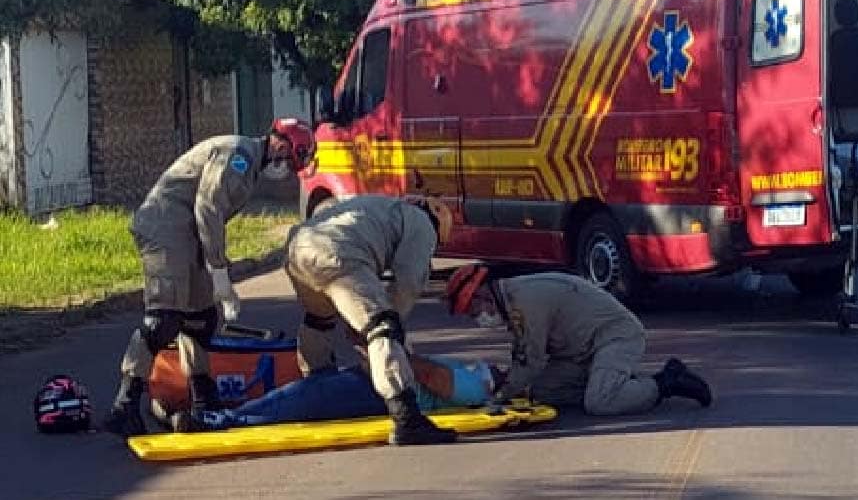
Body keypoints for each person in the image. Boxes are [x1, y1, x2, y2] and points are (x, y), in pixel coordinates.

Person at [103, 118, 316, 437]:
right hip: (166, 229)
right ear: (279, 144)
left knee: (201, 318)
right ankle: (125, 404)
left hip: (189, 235)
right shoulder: (238, 157)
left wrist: (216, 268)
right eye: (289, 159)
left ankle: (203, 396)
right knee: (164, 319)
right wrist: (219, 270)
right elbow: (207, 209)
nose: (286, 169)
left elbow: (208, 218)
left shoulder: (249, 164)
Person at [282, 194, 458, 445]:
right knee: (383, 326)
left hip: (297, 248)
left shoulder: (380, 207)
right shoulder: (423, 223)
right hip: (336, 252)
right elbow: (408, 281)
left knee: (319, 320)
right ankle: (406, 417)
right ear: (438, 218)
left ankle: (317, 384)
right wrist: (387, 325)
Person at [445, 265, 713, 416]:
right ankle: (614, 384)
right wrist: (511, 382)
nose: (477, 319)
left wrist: (499, 396)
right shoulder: (512, 299)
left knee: (600, 403)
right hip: (581, 352)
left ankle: (665, 382)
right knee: (540, 391)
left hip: (616, 337)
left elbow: (532, 360)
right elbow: (524, 356)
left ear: (482, 296)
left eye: (473, 312)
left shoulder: (526, 301)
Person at [165, 354, 502, 432]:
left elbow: (431, 375)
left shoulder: (478, 385)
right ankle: (214, 415)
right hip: (371, 381)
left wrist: (391, 350)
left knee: (295, 401)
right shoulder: (473, 371)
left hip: (376, 392)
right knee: (295, 395)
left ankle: (212, 420)